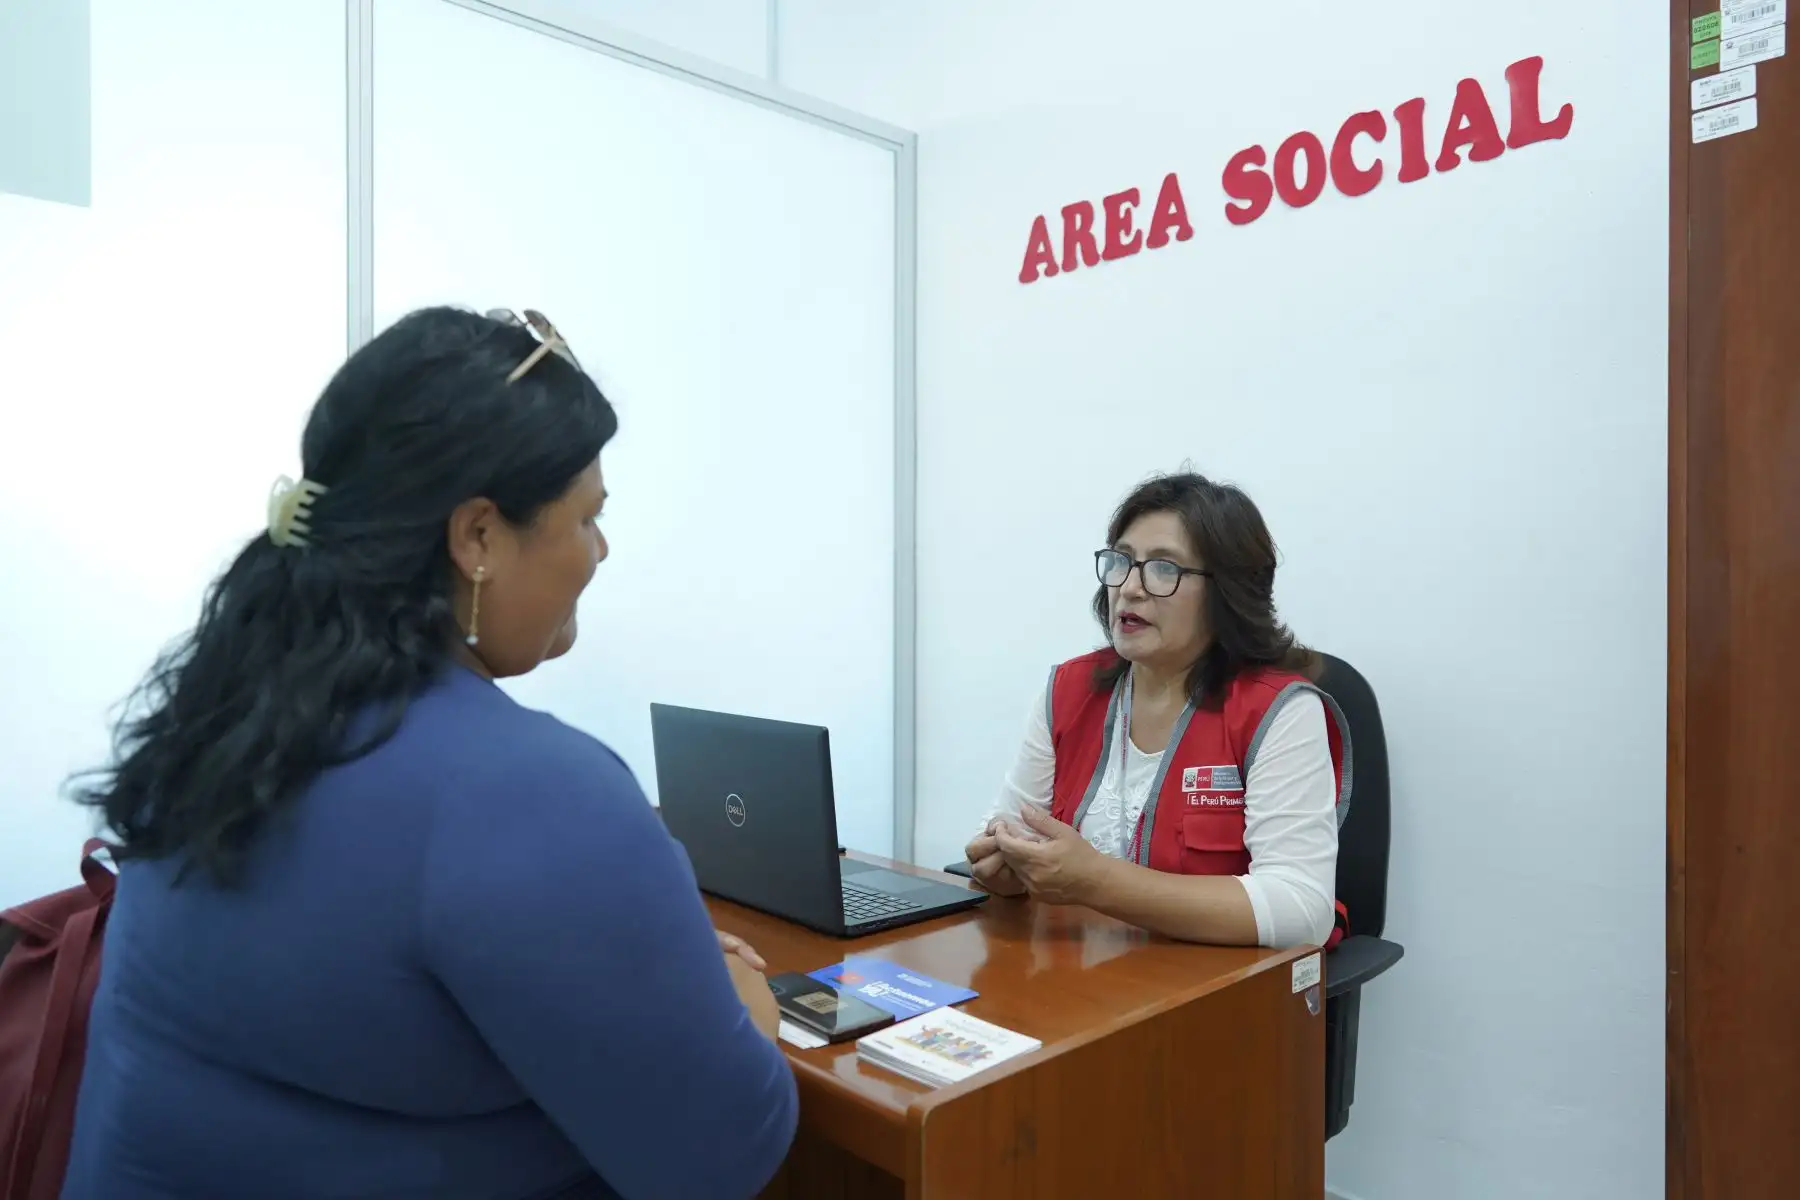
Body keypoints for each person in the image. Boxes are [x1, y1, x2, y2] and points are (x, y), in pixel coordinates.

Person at [60, 308, 797, 1200]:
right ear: (478, 536)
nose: (601, 553)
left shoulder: (226, 718)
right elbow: (724, 1153)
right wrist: (721, 983)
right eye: (587, 518)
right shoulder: (529, 792)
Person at [964, 472, 1351, 950]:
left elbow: (1301, 909)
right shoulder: (1068, 689)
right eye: (1121, 562)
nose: (1129, 588)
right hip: (1073, 980)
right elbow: (1009, 828)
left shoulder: (1280, 712)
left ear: (1227, 591)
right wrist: (1006, 866)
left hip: (1214, 994)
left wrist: (1096, 881)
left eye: (1164, 569)